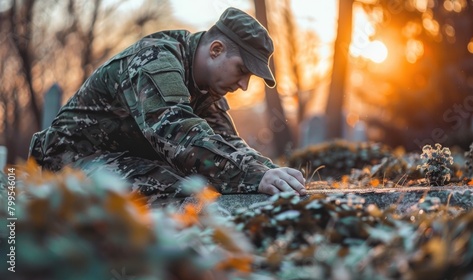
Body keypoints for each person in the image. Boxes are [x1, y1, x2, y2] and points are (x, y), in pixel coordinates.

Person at [28, 7, 306, 203]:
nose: (244, 85)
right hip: (68, 162)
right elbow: (179, 134)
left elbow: (226, 141)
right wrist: (254, 175)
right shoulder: (155, 61)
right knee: (181, 188)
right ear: (216, 50)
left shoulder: (205, 86)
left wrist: (269, 171)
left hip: (118, 159)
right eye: (242, 70)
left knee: (210, 176)